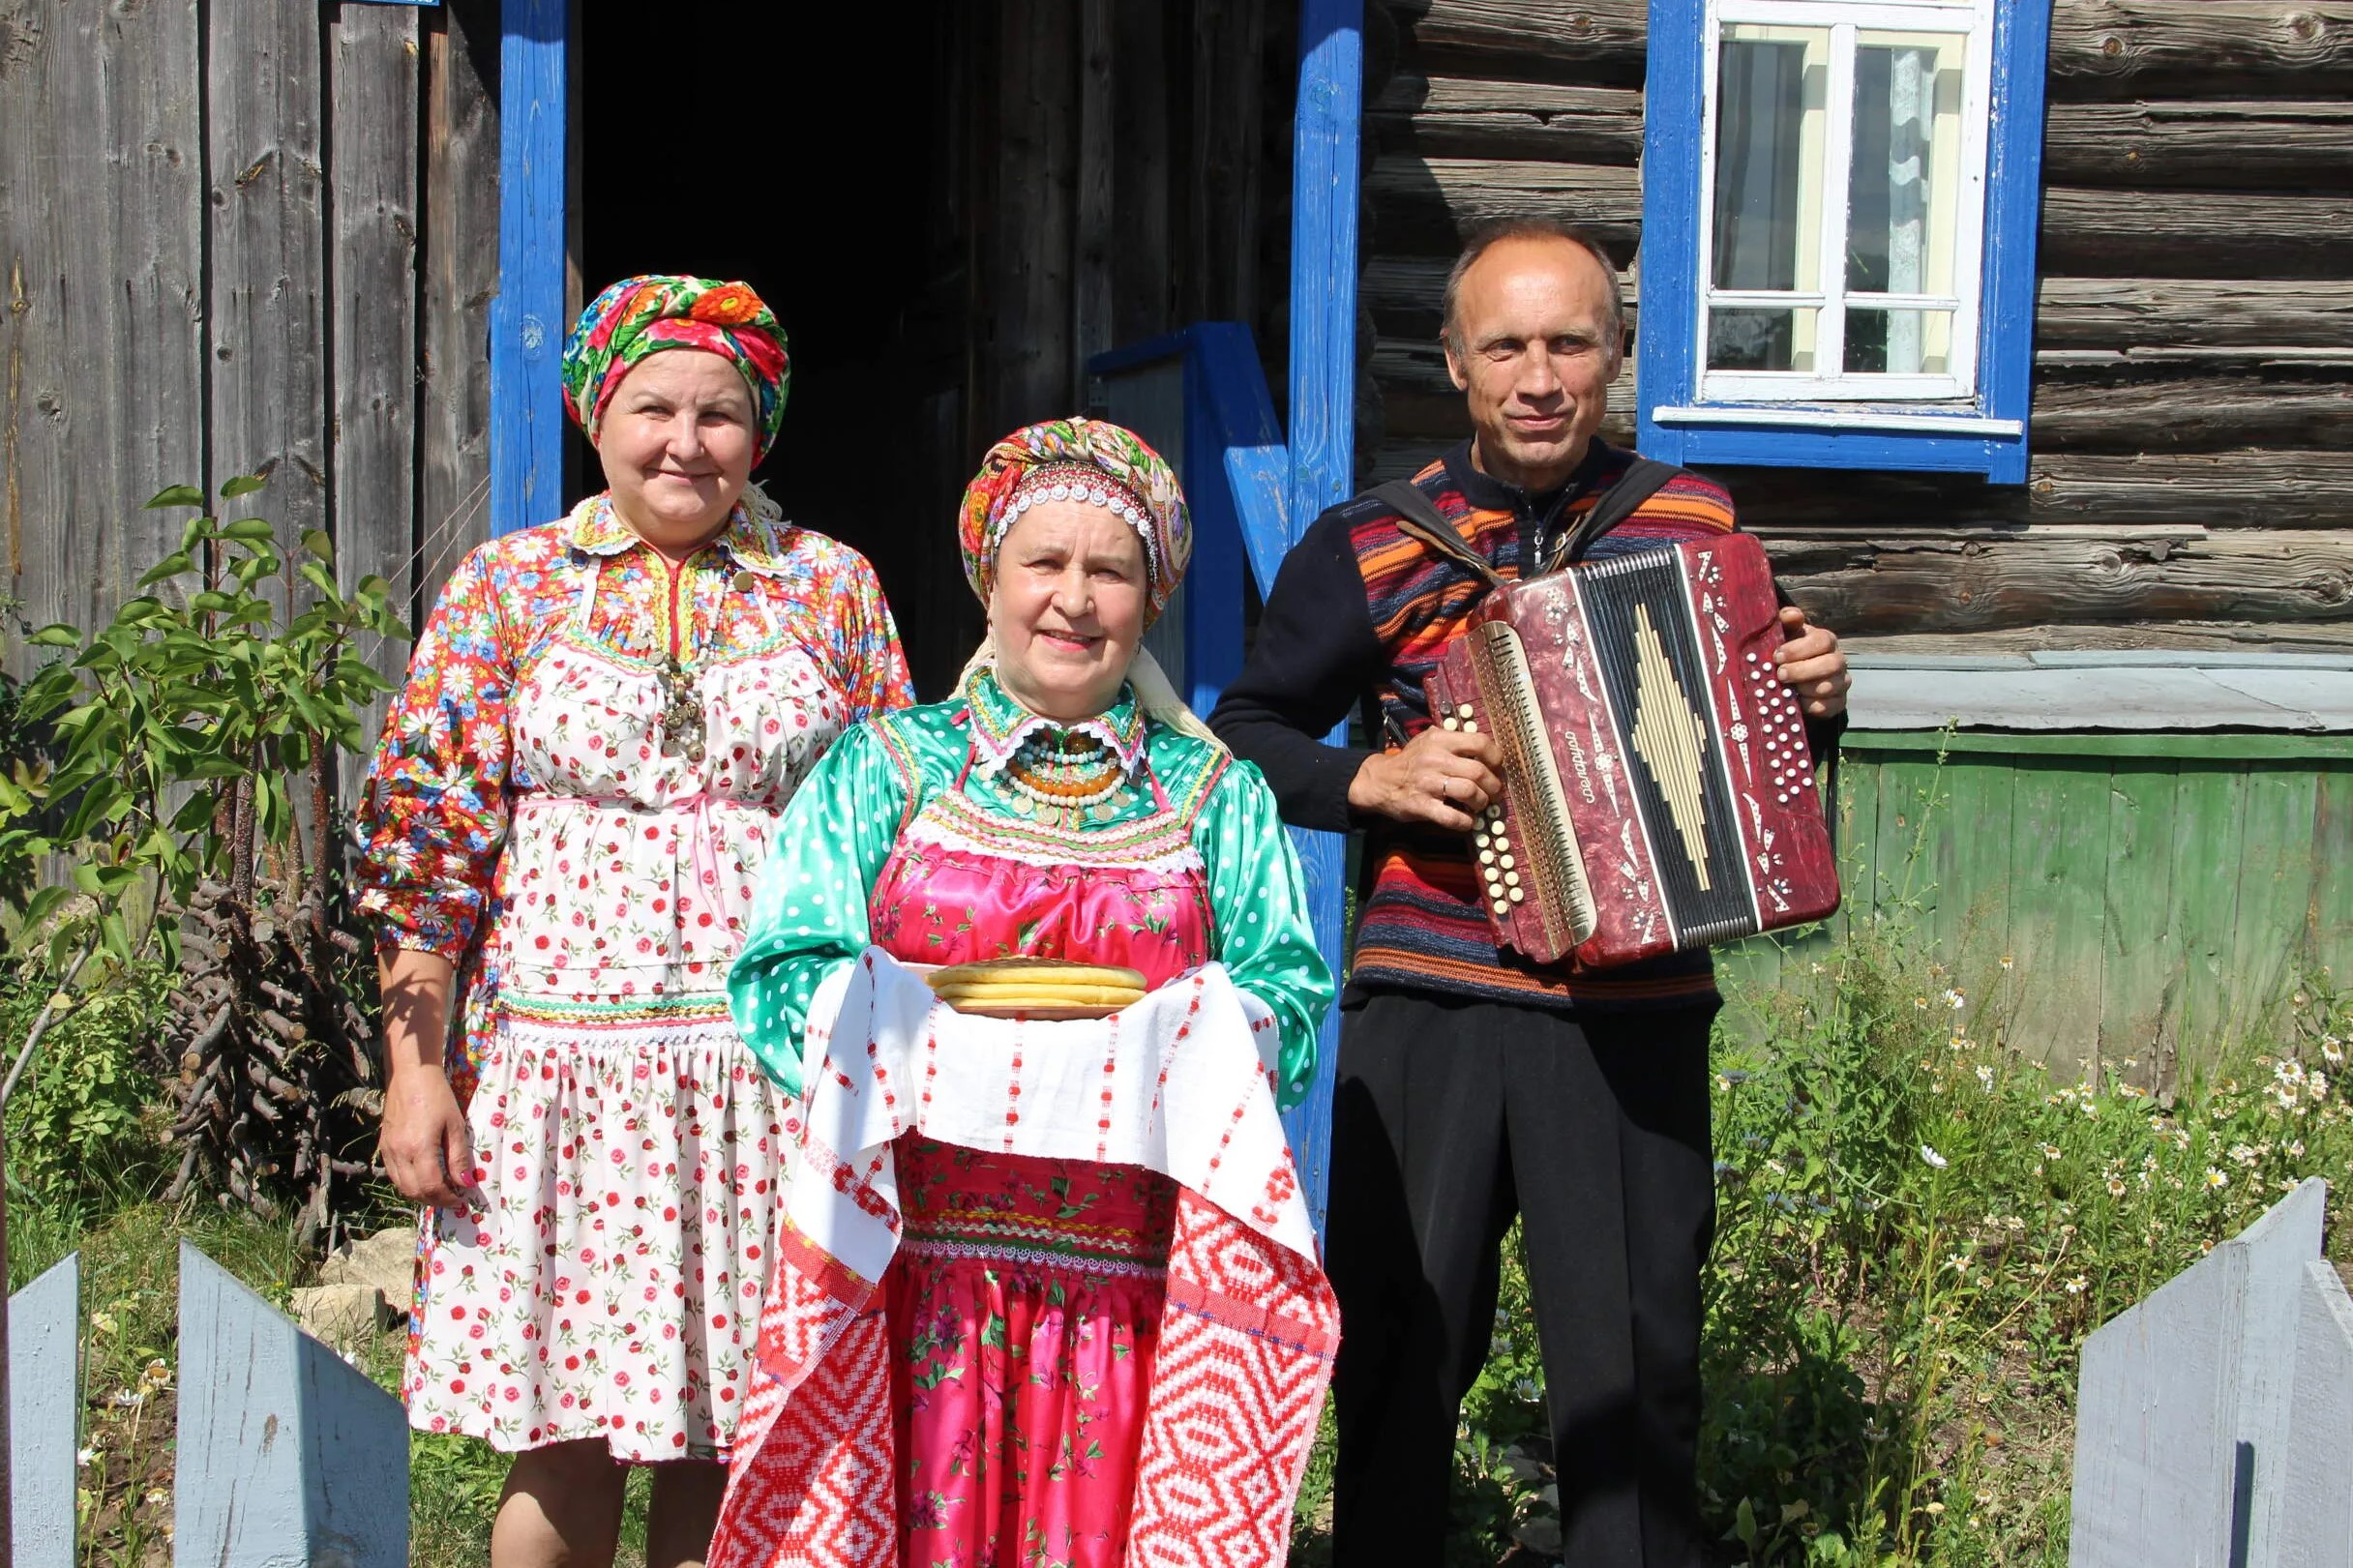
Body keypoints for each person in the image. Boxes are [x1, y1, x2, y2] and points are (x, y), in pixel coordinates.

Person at [1207, 220, 1853, 1566]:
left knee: (1636, 1368)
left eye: (1568, 342)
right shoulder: (1374, 540)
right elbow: (1245, 734)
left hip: (1635, 1011)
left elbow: (1758, 759)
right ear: (1456, 363)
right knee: (1400, 1348)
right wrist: (1371, 776)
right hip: (1429, 997)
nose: (1540, 376)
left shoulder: (1696, 526)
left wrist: (1813, 702)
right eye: (1505, 346)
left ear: (1615, 354)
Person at [703, 418, 1337, 1568]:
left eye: (1110, 572)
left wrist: (1175, 1037)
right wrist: (907, 1029)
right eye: (1044, 563)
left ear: (1151, 600)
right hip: (915, 1266)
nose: (1073, 601)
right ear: (989, 583)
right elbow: (782, 969)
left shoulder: (1213, 796)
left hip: (1127, 1284)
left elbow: (1287, 1001)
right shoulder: (889, 769)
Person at [359, 275, 913, 1568]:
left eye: (719, 414)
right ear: (596, 419)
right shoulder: (509, 587)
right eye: (653, 408)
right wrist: (415, 1073)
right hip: (559, 1078)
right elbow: (426, 847)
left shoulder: (829, 586)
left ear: (759, 433)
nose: (685, 442)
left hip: (766, 1077)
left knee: (741, 1425)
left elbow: (891, 830)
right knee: (564, 1429)